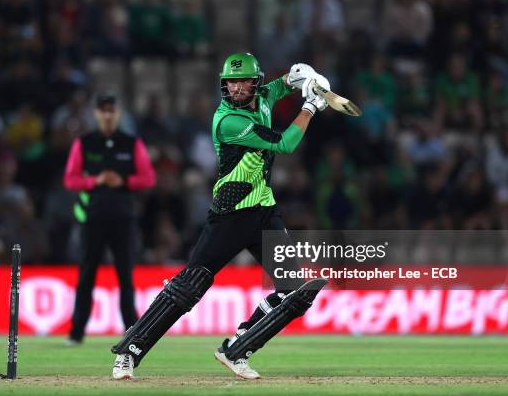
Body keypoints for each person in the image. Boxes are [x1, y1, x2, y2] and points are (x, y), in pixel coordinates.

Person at [111, 52, 329, 380]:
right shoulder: (229, 121)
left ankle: (237, 349)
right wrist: (310, 106)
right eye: (231, 82)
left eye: (243, 82)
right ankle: (129, 350)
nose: (238, 88)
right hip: (230, 215)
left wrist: (299, 75)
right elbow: (283, 144)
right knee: (190, 286)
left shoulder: (263, 95)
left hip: (263, 210)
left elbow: (281, 86)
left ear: (254, 84)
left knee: (294, 291)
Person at [64, 95, 156, 344]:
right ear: (95, 113)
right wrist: (95, 181)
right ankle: (76, 333)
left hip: (123, 218)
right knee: (86, 275)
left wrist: (124, 181)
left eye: (111, 111)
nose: (107, 115)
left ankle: (133, 332)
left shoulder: (131, 143)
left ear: (118, 113)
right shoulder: (84, 143)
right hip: (92, 218)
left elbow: (148, 178)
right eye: (103, 111)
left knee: (125, 276)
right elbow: (70, 179)